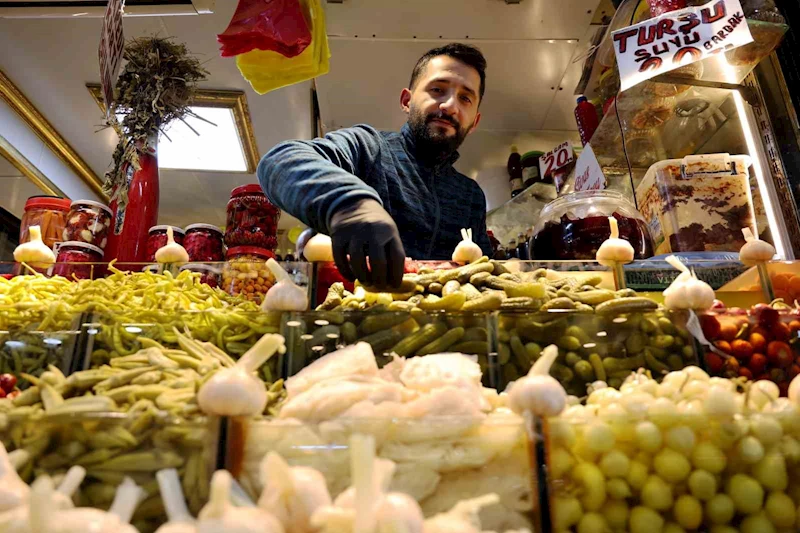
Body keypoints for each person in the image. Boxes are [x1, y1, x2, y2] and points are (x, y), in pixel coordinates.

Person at [258, 43, 493, 290]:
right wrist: (351, 206)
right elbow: (279, 161)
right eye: (437, 89)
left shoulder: (470, 196)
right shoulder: (368, 147)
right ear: (407, 100)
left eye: (465, 98)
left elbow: (485, 275)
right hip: (351, 320)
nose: (449, 106)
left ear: (475, 120)